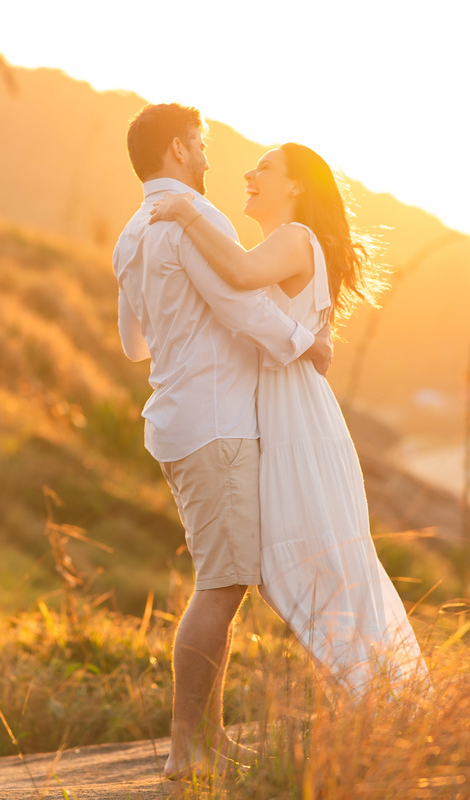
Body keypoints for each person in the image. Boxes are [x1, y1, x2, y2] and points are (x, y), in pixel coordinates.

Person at [149, 142, 428, 695]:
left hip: (295, 417)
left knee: (311, 563)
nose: (249, 173)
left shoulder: (294, 238)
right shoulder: (292, 242)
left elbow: (239, 273)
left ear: (297, 187)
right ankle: (374, 695)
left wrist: (183, 212)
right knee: (305, 566)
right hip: (287, 410)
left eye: (266, 168)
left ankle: (379, 697)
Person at [112, 104, 333, 780]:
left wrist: (180, 343)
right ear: (178, 150)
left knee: (226, 579)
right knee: (223, 585)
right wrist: (305, 344)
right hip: (217, 424)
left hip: (178, 420)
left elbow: (133, 344)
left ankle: (204, 746)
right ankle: (185, 756)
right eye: (202, 145)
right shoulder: (197, 219)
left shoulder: (129, 232)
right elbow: (239, 303)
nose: (209, 158)